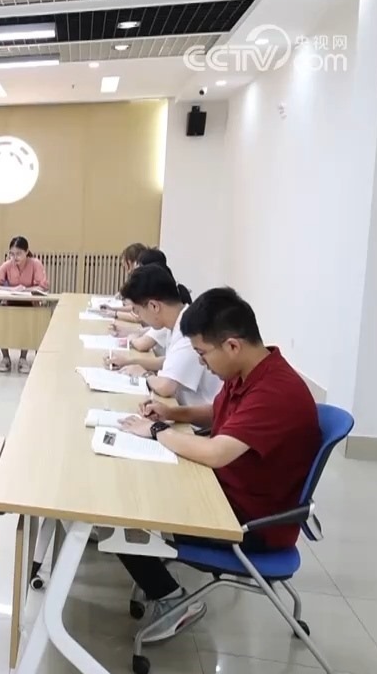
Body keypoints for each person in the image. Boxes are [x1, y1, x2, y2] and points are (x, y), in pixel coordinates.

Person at [115, 287, 321, 643]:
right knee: (130, 484)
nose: (201, 363)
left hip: (246, 523)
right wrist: (173, 413)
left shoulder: (276, 392)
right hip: (222, 492)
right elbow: (220, 412)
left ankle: (173, 599)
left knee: (120, 508)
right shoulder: (251, 370)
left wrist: (157, 430)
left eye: (202, 353)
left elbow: (215, 453)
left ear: (232, 346)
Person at [110, 265, 221, 406]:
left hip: (194, 414)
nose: (139, 317)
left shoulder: (190, 330)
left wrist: (144, 375)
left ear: (154, 306)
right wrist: (130, 362)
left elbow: (166, 386)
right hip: (181, 406)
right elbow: (170, 361)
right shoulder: (177, 320)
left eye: (137, 311)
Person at [0, 236, 50, 374]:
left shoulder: (35, 264)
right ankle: (5, 358)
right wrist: (11, 290)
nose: (15, 257)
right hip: (9, 302)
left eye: (19, 254)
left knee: (27, 323)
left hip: (29, 303)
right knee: (1, 321)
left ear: (27, 251)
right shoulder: (7, 265)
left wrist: (24, 290)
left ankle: (23, 358)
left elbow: (43, 287)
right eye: (12, 254)